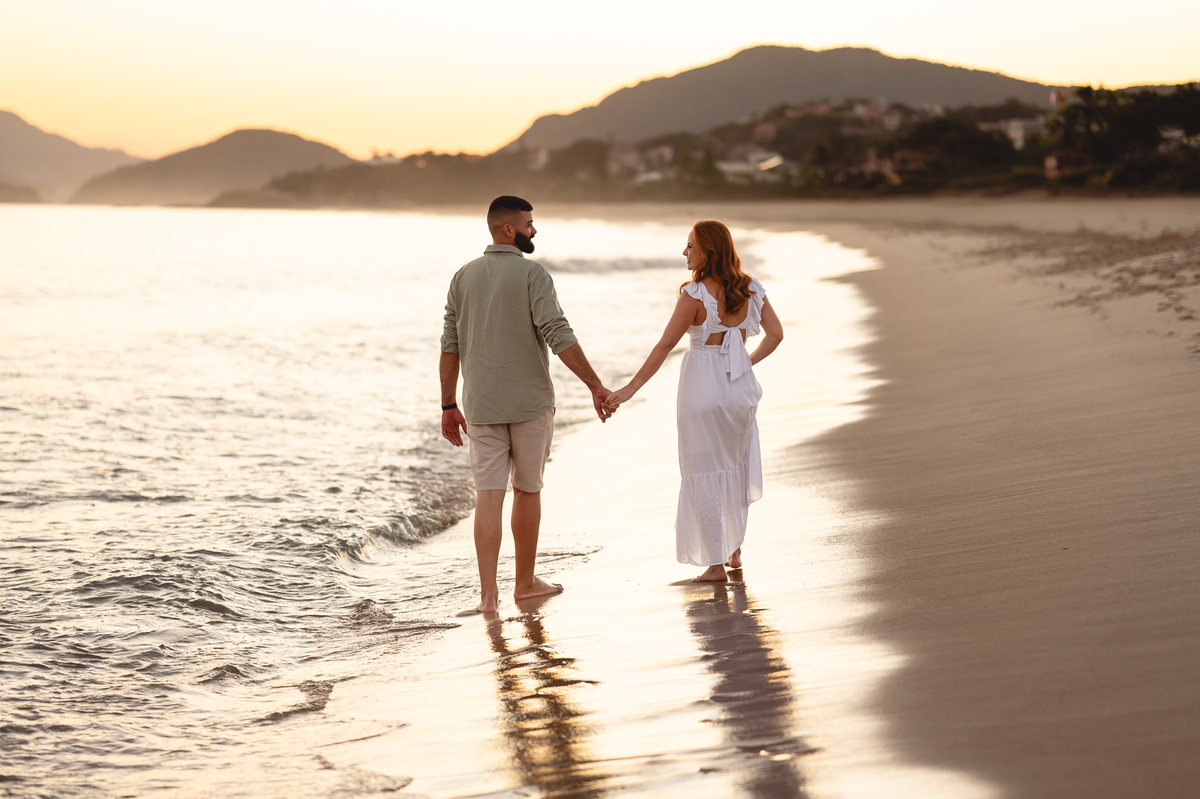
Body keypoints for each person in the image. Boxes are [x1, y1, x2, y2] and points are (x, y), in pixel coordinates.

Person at [440, 195, 612, 612]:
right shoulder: (533, 274)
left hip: (480, 406)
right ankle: (525, 584)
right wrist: (595, 385)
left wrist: (448, 405)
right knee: (528, 490)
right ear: (508, 229)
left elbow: (450, 345)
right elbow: (557, 333)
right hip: (531, 404)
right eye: (529, 223)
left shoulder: (462, 276)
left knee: (488, 495)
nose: (534, 230)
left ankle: (488, 598)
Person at [605, 221, 783, 582]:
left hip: (703, 388)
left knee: (703, 472)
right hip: (740, 391)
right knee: (733, 465)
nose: (685, 253)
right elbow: (776, 335)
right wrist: (745, 362)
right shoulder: (751, 288)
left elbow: (664, 347)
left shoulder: (695, 294)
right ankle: (733, 550)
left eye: (690, 246)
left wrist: (629, 389)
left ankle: (715, 565)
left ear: (708, 252)